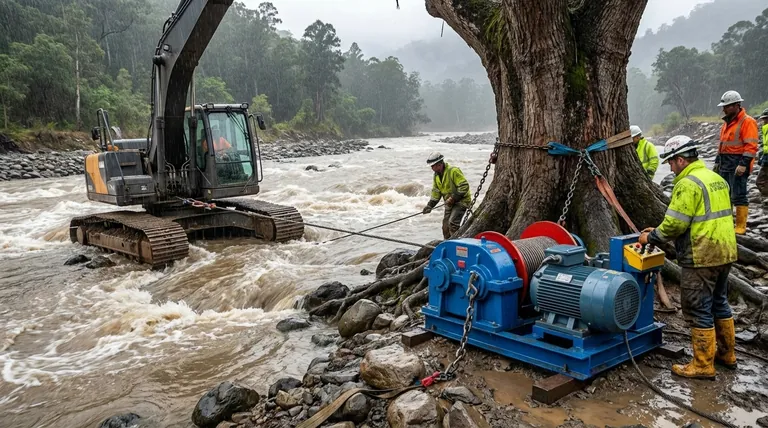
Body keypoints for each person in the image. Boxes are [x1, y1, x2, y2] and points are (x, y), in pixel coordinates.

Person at [639, 135, 737, 379]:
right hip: (725, 251)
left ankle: (703, 364)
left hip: (701, 254)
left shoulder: (687, 184)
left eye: (671, 162)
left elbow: (675, 225)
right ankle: (727, 354)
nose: (670, 167)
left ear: (681, 160)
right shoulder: (716, 179)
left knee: (698, 308)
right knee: (719, 302)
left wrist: (650, 238)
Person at [713, 90, 759, 235]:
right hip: (725, 163)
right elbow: (722, 145)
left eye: (726, 106)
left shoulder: (747, 121)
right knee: (724, 195)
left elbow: (751, 146)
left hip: (738, 163)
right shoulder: (726, 123)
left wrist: (743, 164)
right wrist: (717, 162)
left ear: (736, 105)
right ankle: (727, 222)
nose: (723, 109)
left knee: (739, 195)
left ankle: (740, 226)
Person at [422, 152, 472, 239]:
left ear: (439, 164)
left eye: (432, 166)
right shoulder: (436, 176)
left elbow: (464, 186)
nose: (431, 168)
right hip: (449, 203)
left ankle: (458, 244)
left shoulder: (453, 171)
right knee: (445, 227)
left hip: (461, 201)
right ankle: (447, 244)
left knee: (452, 223)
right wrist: (430, 205)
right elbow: (436, 193)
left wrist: (453, 198)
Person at [756, 108, 768, 197]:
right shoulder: (765, 129)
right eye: (763, 118)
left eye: (765, 118)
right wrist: (763, 156)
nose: (764, 120)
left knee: (760, 181)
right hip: (766, 157)